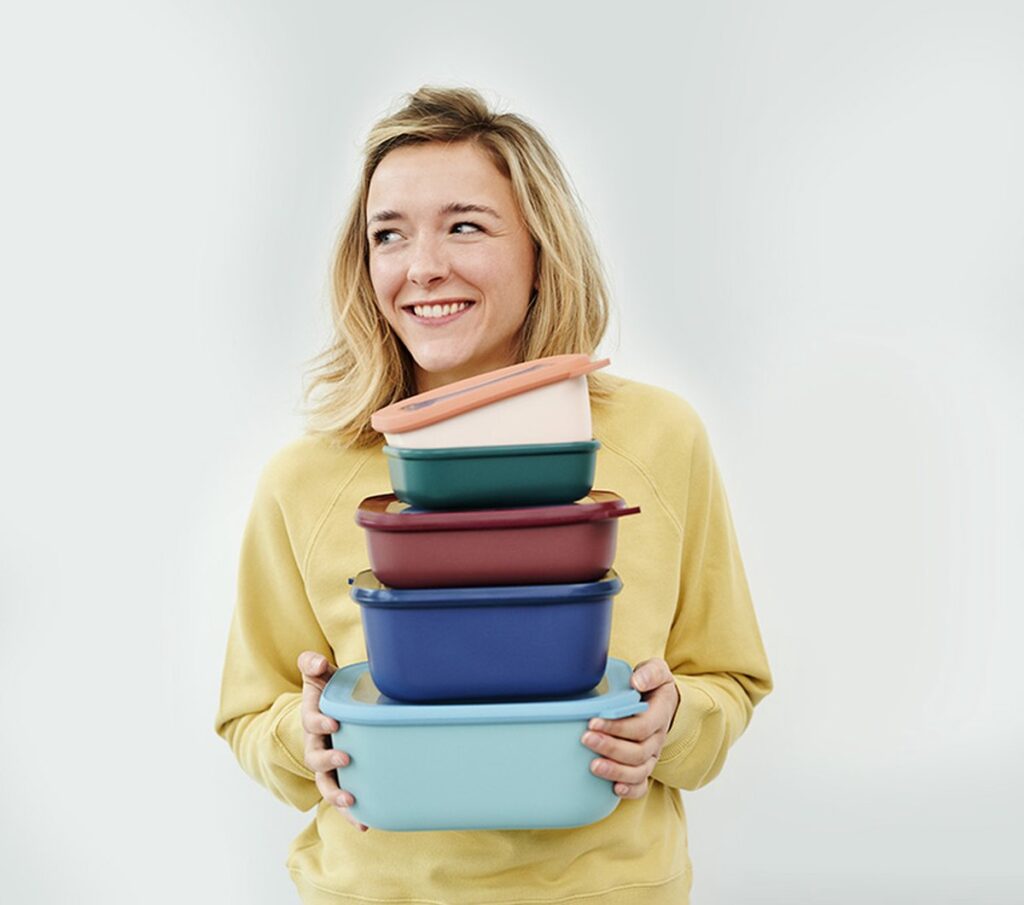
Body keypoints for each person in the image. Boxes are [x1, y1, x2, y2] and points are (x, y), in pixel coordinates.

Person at [216, 85, 773, 905]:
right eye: (388, 234)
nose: (422, 266)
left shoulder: (661, 438)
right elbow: (249, 713)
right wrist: (302, 737)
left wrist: (672, 720)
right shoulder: (303, 479)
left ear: (542, 250)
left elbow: (729, 677)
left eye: (465, 226)